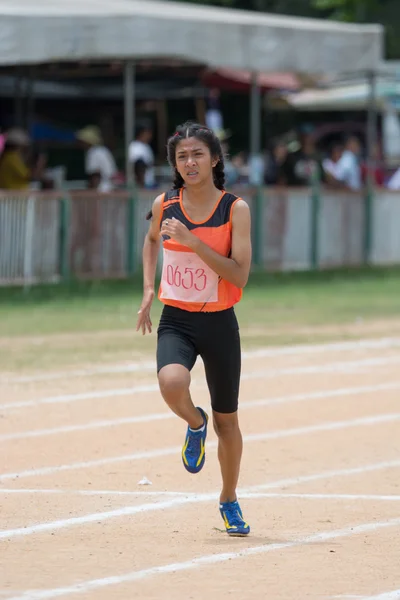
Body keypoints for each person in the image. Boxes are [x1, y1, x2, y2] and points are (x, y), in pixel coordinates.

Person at [136, 122, 252, 536]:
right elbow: (151, 241)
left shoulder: (234, 209)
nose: (190, 162)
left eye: (198, 154)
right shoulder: (165, 203)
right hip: (178, 319)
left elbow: (239, 276)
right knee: (171, 381)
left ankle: (229, 499)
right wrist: (149, 287)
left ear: (215, 159)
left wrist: (194, 242)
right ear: (174, 164)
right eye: (182, 156)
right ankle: (194, 422)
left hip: (220, 323)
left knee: (230, 423)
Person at [76, 126, 117, 193]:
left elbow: (95, 175)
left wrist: (92, 192)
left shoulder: (93, 152)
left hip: (102, 189)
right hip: (111, 187)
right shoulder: (103, 150)